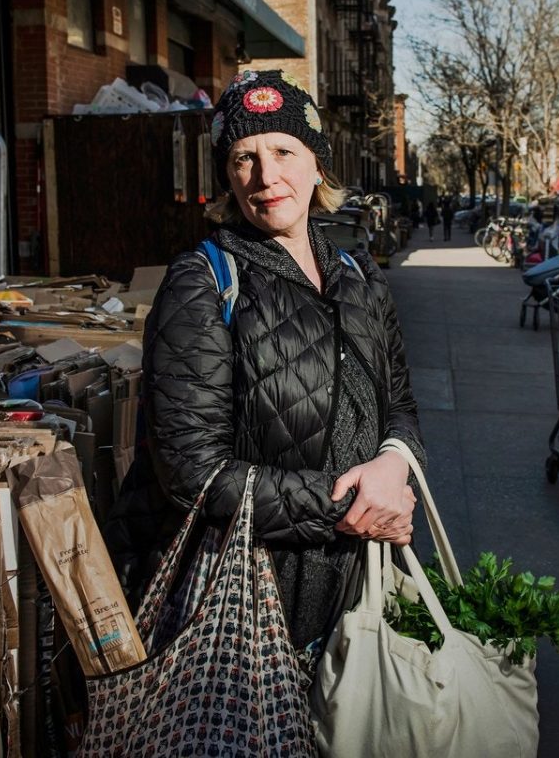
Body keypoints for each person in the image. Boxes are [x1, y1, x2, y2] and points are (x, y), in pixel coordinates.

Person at [106, 69, 426, 687]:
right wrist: (346, 507)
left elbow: (402, 405)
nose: (265, 175)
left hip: (361, 581)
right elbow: (192, 473)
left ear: (316, 166)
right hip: (247, 604)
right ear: (227, 177)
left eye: (283, 151)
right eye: (243, 158)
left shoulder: (359, 276)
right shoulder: (203, 283)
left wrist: (392, 464)